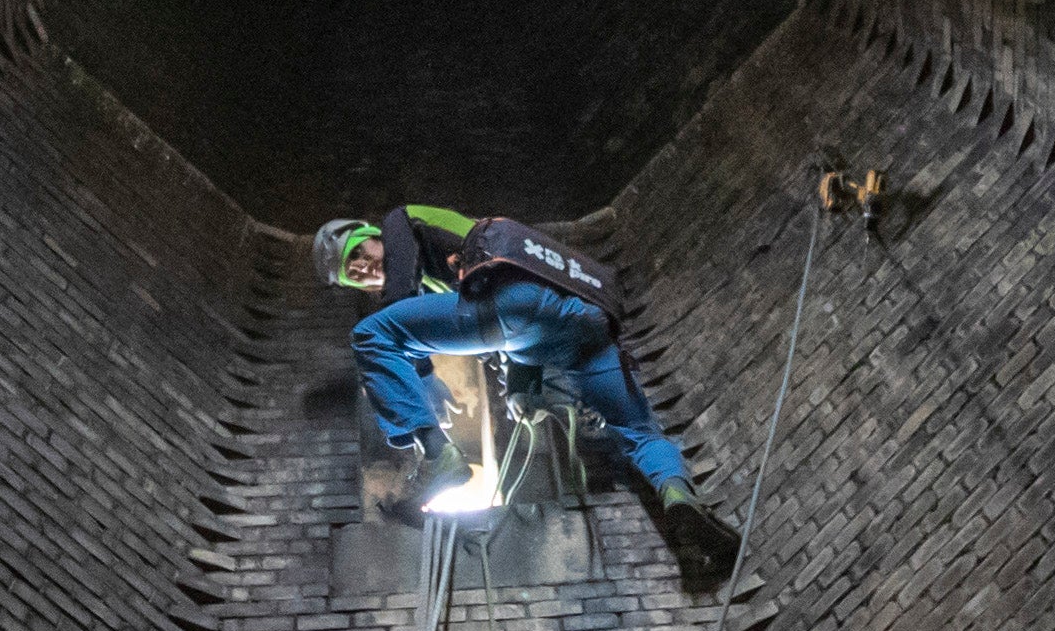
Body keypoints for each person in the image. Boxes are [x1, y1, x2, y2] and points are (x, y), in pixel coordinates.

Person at [318, 207, 742, 593]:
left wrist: (423, 374)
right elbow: (519, 323)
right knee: (639, 431)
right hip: (579, 321)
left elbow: (399, 302)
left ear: (371, 232)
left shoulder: (401, 221)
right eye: (354, 275)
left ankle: (435, 455)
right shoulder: (466, 264)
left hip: (514, 309)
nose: (363, 269)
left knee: (370, 334)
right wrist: (522, 390)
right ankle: (680, 501)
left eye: (358, 254)